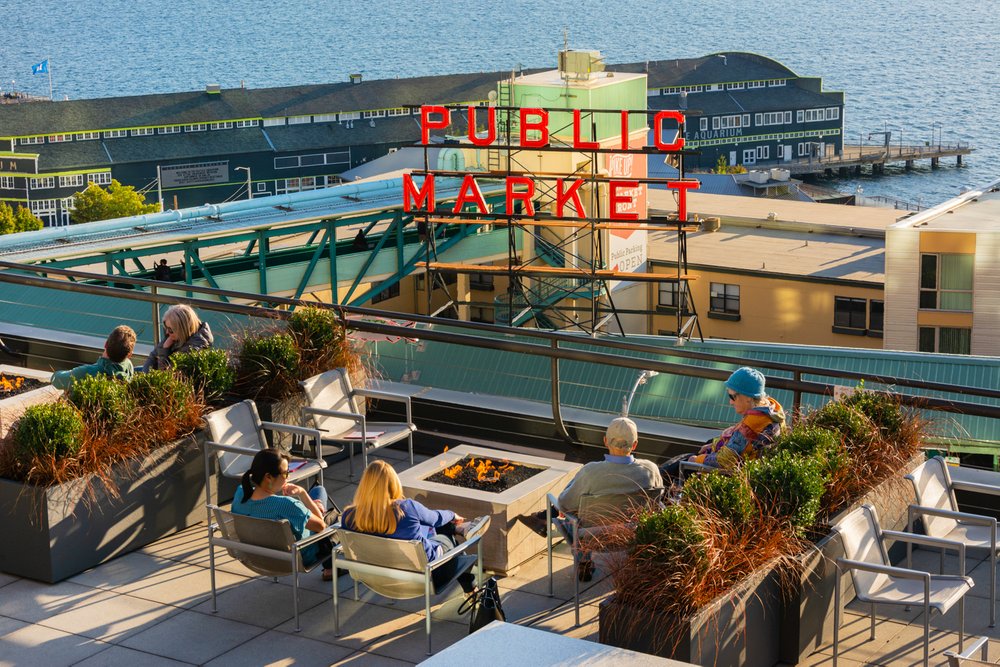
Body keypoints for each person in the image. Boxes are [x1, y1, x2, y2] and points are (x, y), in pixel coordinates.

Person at [518, 417, 663, 581]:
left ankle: (583, 559)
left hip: (592, 538)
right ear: (635, 444)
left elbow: (565, 505)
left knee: (574, 504)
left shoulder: (591, 472)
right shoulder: (651, 470)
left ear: (605, 441)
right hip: (634, 535)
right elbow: (656, 503)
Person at [341, 460, 476, 592]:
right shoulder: (406, 508)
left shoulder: (348, 516)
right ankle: (472, 589)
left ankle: (457, 529)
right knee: (453, 543)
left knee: (430, 526)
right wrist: (452, 515)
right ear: (393, 484)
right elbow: (435, 519)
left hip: (374, 574)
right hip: (424, 575)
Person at [231, 448, 337, 580]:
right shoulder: (287, 505)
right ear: (268, 477)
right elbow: (321, 526)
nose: (288, 477)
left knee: (318, 493)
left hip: (257, 556)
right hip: (297, 556)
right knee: (335, 515)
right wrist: (303, 494)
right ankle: (331, 568)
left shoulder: (240, 493)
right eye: (286, 473)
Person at [662, 367, 787, 478]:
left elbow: (725, 461)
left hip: (735, 477)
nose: (730, 402)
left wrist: (697, 460)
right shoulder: (771, 411)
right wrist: (713, 445)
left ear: (749, 397)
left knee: (674, 468)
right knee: (706, 445)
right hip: (754, 466)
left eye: (733, 396)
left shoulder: (751, 427)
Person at [51, 325, 136, 390]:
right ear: (129, 355)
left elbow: (56, 380)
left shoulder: (87, 372)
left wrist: (72, 372)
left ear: (105, 344)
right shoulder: (129, 367)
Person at [143, 304, 213, 371]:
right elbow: (152, 358)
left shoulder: (195, 347)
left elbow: (167, 376)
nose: (167, 332)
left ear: (182, 329)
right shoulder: (173, 336)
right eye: (165, 327)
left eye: (170, 330)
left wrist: (164, 351)